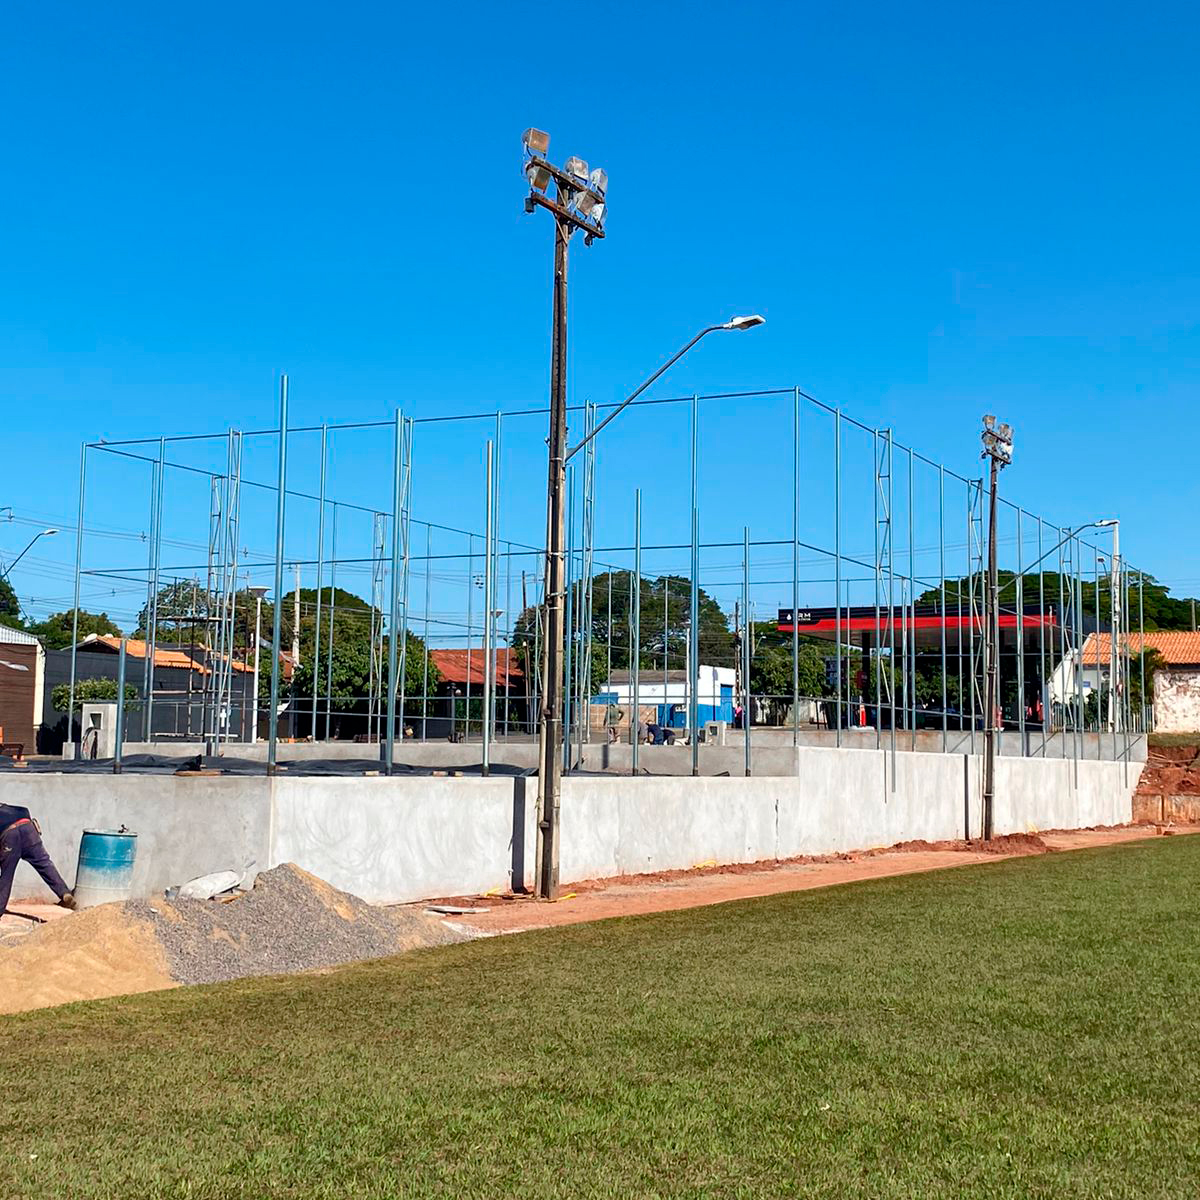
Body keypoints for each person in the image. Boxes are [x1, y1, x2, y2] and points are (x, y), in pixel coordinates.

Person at [0, 803, 76, 915]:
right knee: (44, 864)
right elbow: (25, 811)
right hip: (28, 828)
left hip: (10, 834)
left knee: (6, 874)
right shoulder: (8, 808)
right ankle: (64, 893)